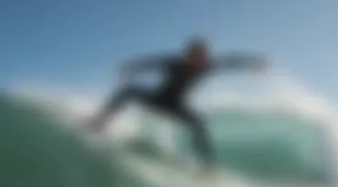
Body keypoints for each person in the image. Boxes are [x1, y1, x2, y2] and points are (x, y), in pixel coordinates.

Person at [88, 38, 269, 174]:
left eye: (200, 56)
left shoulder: (207, 66)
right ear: (188, 54)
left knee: (199, 125)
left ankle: (207, 167)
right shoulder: (174, 63)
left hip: (176, 106)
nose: (197, 59)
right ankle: (100, 122)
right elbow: (150, 63)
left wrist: (253, 62)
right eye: (193, 55)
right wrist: (129, 67)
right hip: (158, 99)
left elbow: (230, 62)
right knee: (127, 91)